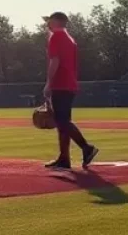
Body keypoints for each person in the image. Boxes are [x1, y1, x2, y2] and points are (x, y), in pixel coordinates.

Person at [42, 11, 99, 171]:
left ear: (56, 21)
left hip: (61, 83)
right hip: (69, 83)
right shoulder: (70, 39)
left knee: (62, 121)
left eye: (49, 21)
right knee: (63, 122)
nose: (47, 24)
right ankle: (64, 158)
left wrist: (48, 83)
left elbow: (55, 61)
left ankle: (87, 148)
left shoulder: (56, 37)